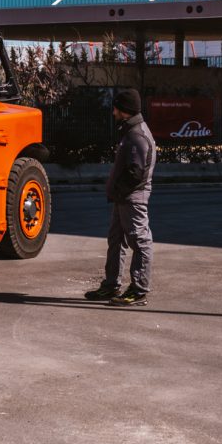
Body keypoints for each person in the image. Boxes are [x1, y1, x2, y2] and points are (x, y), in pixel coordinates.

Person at [84, 88, 156, 306]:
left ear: (124, 110)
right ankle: (111, 285)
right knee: (116, 241)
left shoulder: (137, 135)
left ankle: (139, 289)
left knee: (139, 241)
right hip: (123, 197)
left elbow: (137, 172)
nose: (113, 111)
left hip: (132, 198)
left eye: (115, 107)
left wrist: (120, 191)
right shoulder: (129, 131)